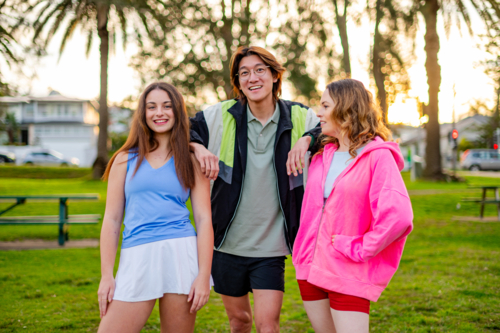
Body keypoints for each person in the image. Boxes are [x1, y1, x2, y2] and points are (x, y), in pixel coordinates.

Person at [189, 46, 319, 333]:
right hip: (225, 244)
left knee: (268, 325)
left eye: (260, 70)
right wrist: (197, 146)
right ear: (238, 81)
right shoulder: (219, 116)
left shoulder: (300, 116)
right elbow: (183, 128)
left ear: (275, 75)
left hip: (271, 247)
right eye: (244, 73)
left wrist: (306, 140)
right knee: (240, 321)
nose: (252, 78)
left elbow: (331, 126)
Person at [292, 78, 414, 333]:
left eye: (325, 106)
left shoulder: (378, 156)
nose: (319, 113)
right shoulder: (321, 155)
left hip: (347, 269)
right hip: (310, 268)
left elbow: (398, 217)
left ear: (345, 110)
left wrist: (360, 247)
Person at [97, 82, 213, 333]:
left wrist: (203, 276)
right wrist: (107, 274)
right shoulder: (124, 159)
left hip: (181, 254)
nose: (159, 112)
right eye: (152, 107)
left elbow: (204, 219)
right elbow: (112, 219)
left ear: (177, 112)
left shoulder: (192, 158)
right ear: (143, 113)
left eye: (166, 106)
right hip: (136, 255)